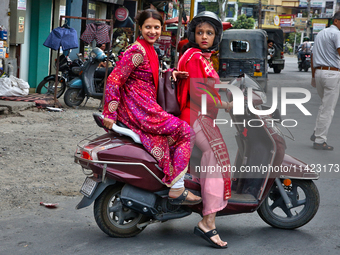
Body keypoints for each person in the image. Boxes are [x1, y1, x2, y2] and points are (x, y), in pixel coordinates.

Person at [102, 9, 201, 205]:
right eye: (148, 27)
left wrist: (172, 73)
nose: (153, 31)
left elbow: (146, 76)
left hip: (145, 107)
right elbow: (114, 80)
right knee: (186, 132)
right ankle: (177, 187)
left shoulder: (149, 49)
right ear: (140, 27)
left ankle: (165, 183)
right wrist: (109, 113)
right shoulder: (137, 51)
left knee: (173, 136)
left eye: (156, 27)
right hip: (140, 111)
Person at [177, 11, 232, 249]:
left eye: (209, 33)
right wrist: (227, 103)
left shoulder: (197, 57)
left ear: (216, 36)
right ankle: (208, 221)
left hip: (197, 116)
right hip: (197, 116)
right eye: (200, 32)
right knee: (217, 160)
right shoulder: (197, 58)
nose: (205, 36)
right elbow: (200, 94)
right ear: (193, 35)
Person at [310, 11, 340, 150]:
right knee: (328, 109)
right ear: (336, 21)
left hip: (319, 73)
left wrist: (313, 75)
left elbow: (312, 55)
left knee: (324, 106)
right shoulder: (337, 34)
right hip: (332, 74)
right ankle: (320, 140)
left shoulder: (321, 33)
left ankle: (317, 132)